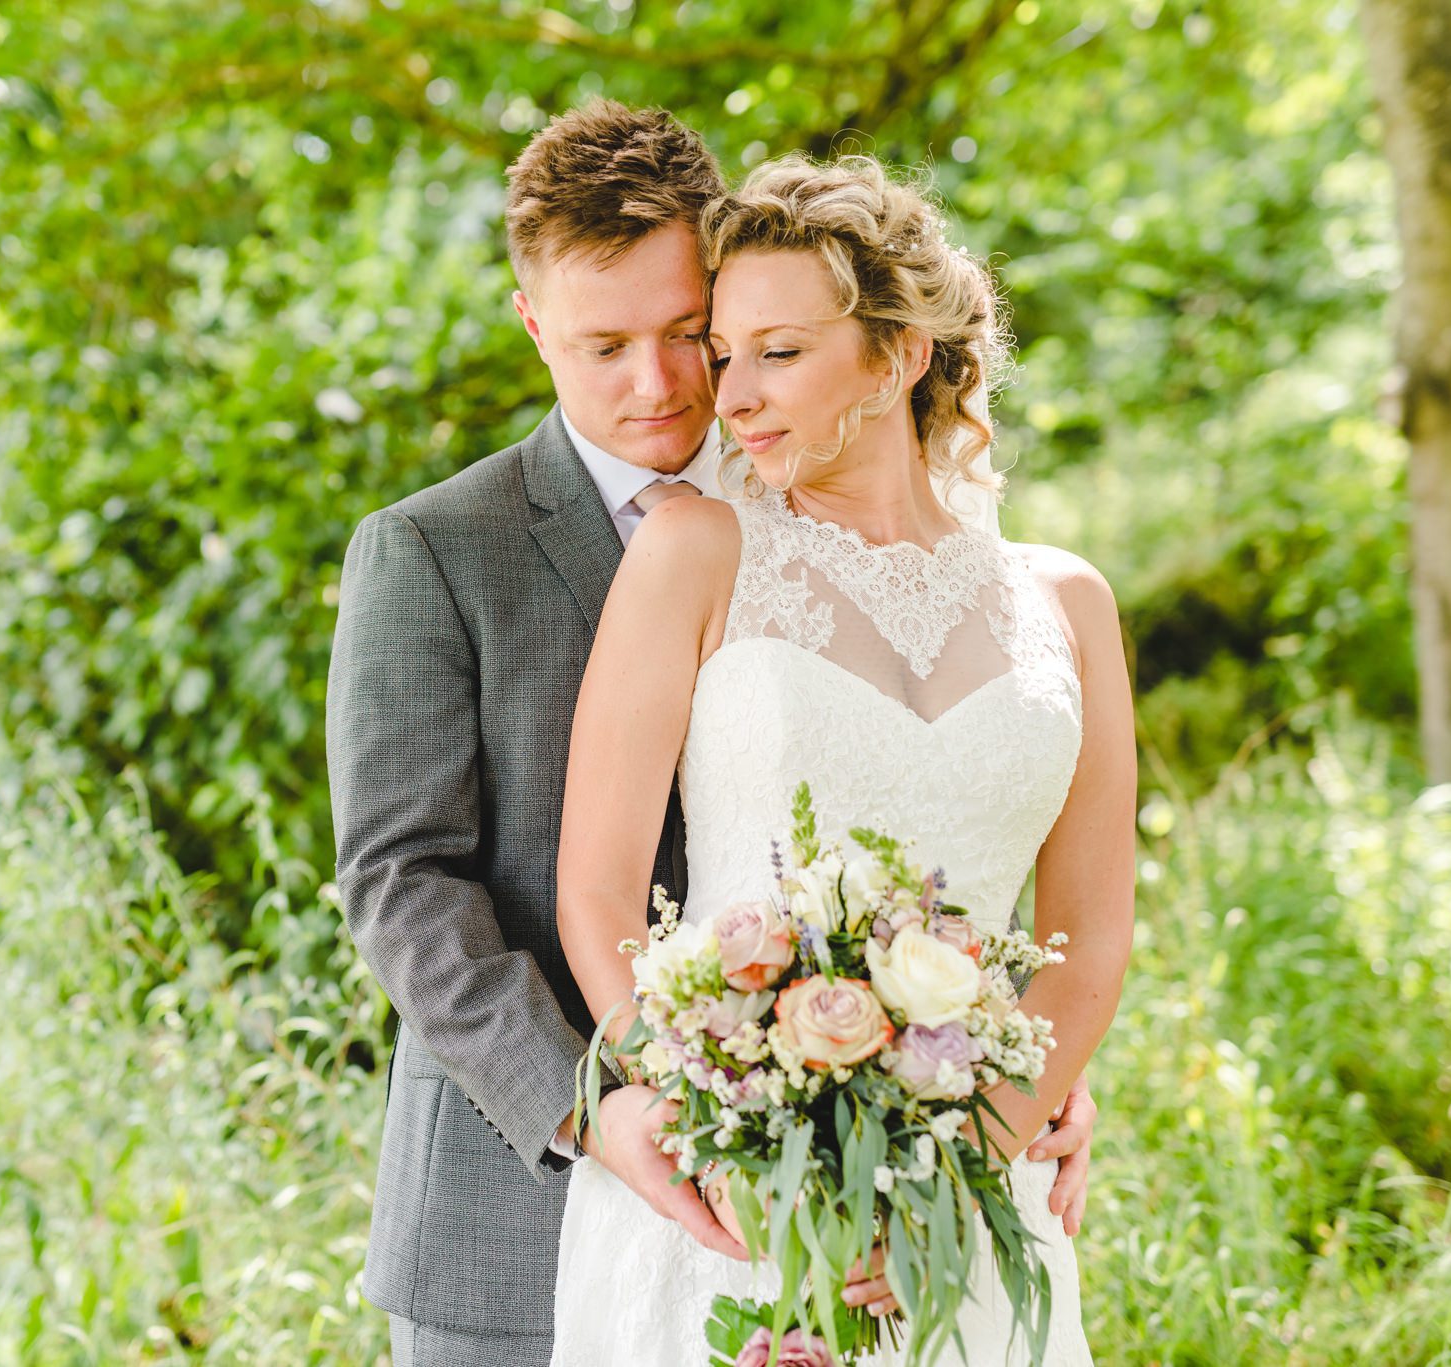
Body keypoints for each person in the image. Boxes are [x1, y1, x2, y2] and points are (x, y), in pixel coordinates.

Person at [327, 102, 1098, 1367]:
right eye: (603, 344)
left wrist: (1002, 1071)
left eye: (688, 333)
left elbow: (949, 816)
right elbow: (401, 882)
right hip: (515, 1207)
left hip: (880, 1195)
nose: (662, 384)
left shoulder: (825, 488)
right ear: (532, 325)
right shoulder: (433, 550)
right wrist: (608, 1108)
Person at [547, 153, 1135, 1364]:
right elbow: (597, 891)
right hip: (725, 1196)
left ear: (897, 352)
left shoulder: (1066, 604)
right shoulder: (693, 551)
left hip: (967, 1202)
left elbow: (1085, 945)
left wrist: (945, 1176)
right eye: (725, 356)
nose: (735, 396)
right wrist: (727, 1136)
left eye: (778, 351)